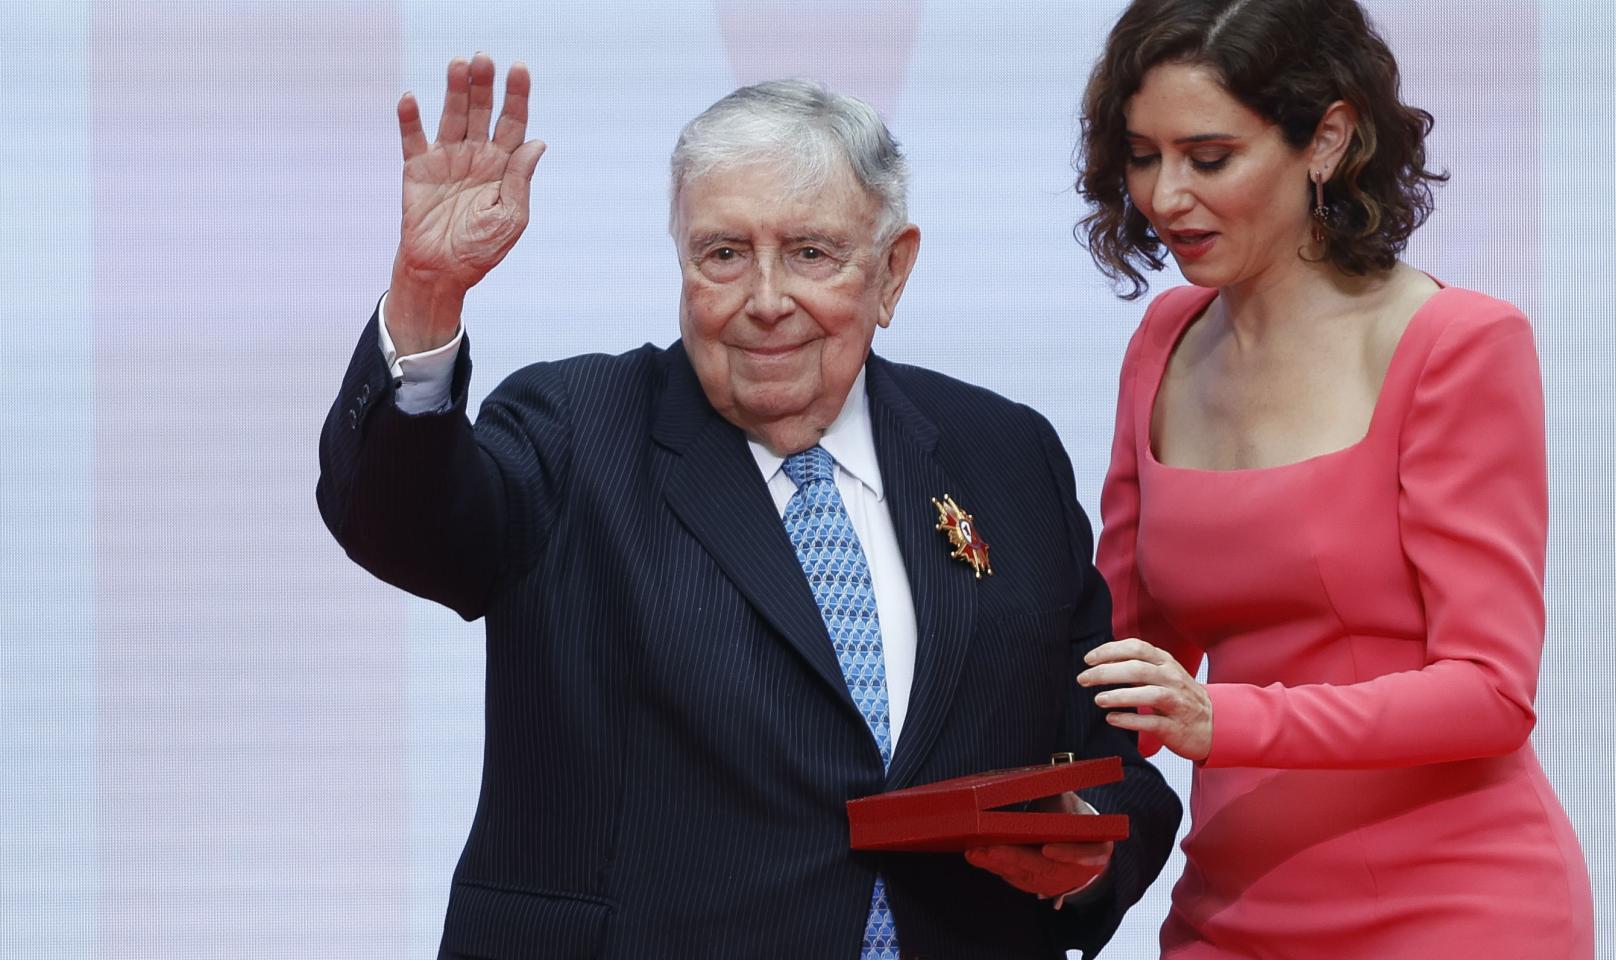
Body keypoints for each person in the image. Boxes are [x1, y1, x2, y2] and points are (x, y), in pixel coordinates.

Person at [318, 54, 1181, 959]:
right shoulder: (575, 429)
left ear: (892, 273)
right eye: (725, 254)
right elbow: (402, 524)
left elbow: (1109, 758)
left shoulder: (1004, 454)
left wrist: (1082, 850)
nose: (766, 301)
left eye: (811, 253)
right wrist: (426, 295)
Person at [1069, 1, 1593, 957]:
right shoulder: (1161, 343)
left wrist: (1218, 715)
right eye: (1143, 155)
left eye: (1209, 156)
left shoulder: (1455, 346)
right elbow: (1126, 654)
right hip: (1226, 912)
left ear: (1329, 138)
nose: (1165, 195)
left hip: (1456, 910)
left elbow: (1490, 691)